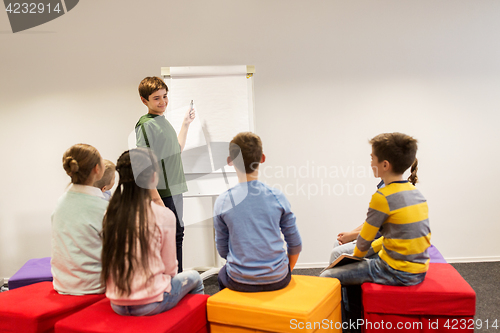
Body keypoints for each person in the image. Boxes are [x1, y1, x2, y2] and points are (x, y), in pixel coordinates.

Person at [320, 134, 430, 326]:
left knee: (327, 276)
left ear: (385, 165)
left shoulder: (382, 196)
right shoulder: (416, 193)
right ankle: (356, 320)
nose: (370, 162)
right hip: (419, 270)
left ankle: (346, 328)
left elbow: (363, 243)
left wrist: (353, 259)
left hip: (395, 271)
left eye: (372, 158)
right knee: (349, 271)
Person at [101, 148, 204, 316]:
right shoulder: (163, 215)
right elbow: (171, 270)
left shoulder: (110, 213)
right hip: (150, 303)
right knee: (195, 278)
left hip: (117, 303)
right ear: (153, 177)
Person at [214, 132, 302, 292]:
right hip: (278, 279)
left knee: (221, 276)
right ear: (262, 158)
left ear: (230, 161)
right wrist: (285, 270)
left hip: (238, 281)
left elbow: (222, 249)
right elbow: (295, 244)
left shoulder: (222, 201)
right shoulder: (277, 197)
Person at [135, 76, 195, 273]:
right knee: (171, 236)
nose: (162, 102)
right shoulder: (145, 124)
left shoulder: (163, 121)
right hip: (163, 191)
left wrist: (186, 124)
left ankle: (177, 280)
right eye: (156, 98)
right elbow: (143, 163)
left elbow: (176, 148)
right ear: (144, 101)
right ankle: (174, 282)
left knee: (177, 234)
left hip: (176, 187)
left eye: (165, 96)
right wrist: (156, 197)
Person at [328, 159, 418, 263]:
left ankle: (334, 277)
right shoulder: (384, 186)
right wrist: (350, 233)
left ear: (385, 165)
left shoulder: (392, 191)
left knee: (337, 253)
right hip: (374, 238)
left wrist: (352, 236)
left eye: (374, 159)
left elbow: (381, 229)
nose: (371, 164)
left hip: (383, 243)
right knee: (337, 243)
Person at [51, 143, 107, 295]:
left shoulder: (61, 202)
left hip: (62, 283)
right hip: (94, 286)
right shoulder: (102, 207)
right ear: (97, 169)